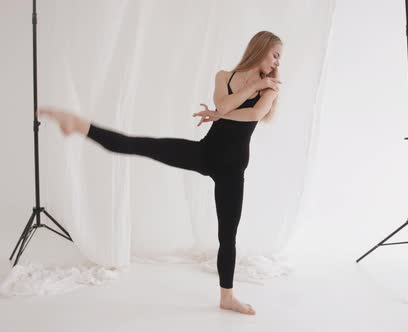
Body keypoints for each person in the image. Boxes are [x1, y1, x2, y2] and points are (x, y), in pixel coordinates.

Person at [39, 31, 282, 315]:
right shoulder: (224, 76)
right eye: (275, 54)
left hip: (232, 169)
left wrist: (229, 107)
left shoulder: (271, 89)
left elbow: (251, 115)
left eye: (279, 57)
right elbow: (225, 104)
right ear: (260, 48)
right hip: (205, 153)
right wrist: (241, 96)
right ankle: (78, 124)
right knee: (139, 144)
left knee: (227, 236)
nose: (278, 62)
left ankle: (227, 297)